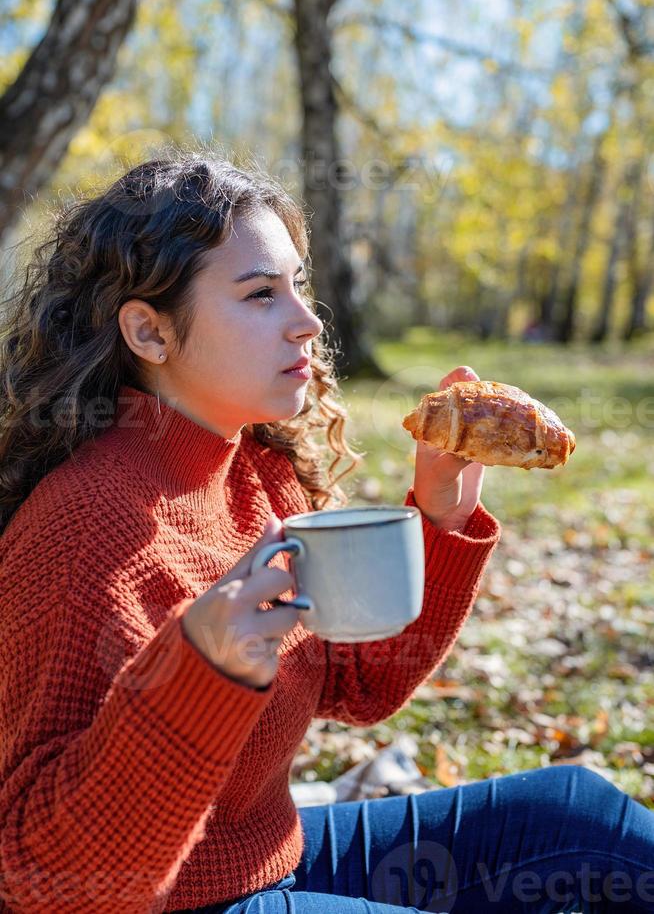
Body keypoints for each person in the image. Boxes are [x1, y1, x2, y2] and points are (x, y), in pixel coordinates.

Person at [0, 152, 651, 914]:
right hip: (164, 904)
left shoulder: (256, 472)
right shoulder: (86, 528)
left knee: (577, 815)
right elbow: (42, 878)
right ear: (149, 331)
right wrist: (198, 670)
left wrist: (439, 514)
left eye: (298, 286)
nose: (307, 322)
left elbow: (358, 684)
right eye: (260, 294)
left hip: (268, 858)